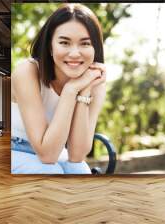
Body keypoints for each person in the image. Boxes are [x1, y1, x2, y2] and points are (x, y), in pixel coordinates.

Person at [11, 4, 106, 174]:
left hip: (53, 151)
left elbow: (77, 155)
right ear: (50, 47)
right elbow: (47, 156)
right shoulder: (28, 71)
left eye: (85, 43)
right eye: (64, 42)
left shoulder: (95, 82)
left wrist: (83, 91)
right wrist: (70, 90)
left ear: (95, 49)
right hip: (14, 148)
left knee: (81, 171)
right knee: (50, 171)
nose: (75, 53)